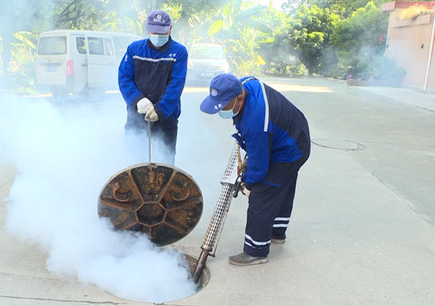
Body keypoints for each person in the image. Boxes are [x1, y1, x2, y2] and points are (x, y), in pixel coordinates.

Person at [200, 73, 311, 266]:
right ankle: (277, 233)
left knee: (262, 195)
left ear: (239, 99)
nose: (220, 111)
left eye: (224, 106)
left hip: (289, 150)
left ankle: (256, 251)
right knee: (280, 188)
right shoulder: (244, 84)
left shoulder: (256, 121)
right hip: (293, 133)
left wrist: (249, 183)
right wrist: (249, 157)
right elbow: (258, 146)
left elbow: (260, 166)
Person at [118, 10, 188, 165]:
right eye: (154, 32)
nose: (157, 36)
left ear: (170, 29)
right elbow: (124, 78)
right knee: (135, 163)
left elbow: (176, 84)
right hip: (137, 115)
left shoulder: (179, 52)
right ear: (148, 29)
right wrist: (138, 100)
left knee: (165, 165)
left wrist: (160, 110)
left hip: (166, 117)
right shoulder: (134, 49)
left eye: (162, 32)